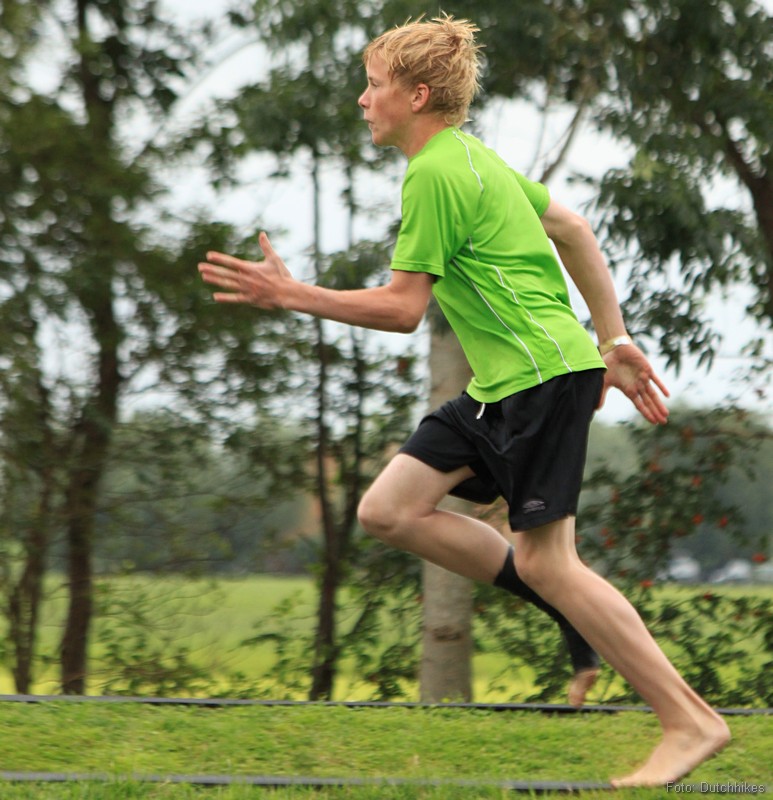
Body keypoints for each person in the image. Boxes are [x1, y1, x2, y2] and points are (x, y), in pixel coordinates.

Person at [197, 15, 730, 786]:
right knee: (390, 510)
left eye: (374, 85)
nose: (362, 100)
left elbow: (402, 308)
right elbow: (573, 228)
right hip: (506, 385)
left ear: (415, 95)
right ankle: (562, 602)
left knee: (551, 563)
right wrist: (611, 339)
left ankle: (688, 721)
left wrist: (290, 294)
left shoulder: (435, 173)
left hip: (539, 379)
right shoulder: (474, 159)